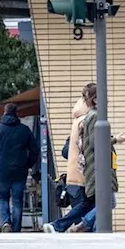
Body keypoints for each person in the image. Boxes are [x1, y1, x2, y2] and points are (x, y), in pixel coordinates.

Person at [72, 83, 125, 233]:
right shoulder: (96, 116)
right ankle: (84, 224)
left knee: (104, 205)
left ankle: (97, 235)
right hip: (99, 167)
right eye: (104, 96)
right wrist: (115, 139)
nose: (108, 99)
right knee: (108, 202)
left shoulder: (92, 115)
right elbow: (95, 141)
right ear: (96, 100)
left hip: (96, 166)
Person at [0, 102, 39, 232]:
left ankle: (6, 221)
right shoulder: (24, 130)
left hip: (2, 171)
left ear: (5, 112)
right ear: (16, 113)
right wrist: (28, 163)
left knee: (3, 198)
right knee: (18, 201)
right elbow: (35, 149)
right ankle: (16, 228)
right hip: (20, 170)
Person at [45, 84, 94, 233]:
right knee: (104, 202)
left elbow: (66, 151)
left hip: (76, 178)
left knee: (88, 206)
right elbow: (89, 145)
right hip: (85, 175)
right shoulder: (86, 121)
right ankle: (62, 225)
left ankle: (59, 226)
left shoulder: (77, 122)